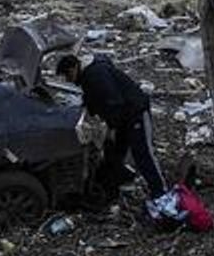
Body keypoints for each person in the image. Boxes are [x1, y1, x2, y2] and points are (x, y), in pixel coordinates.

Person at [56, 51, 179, 220]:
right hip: (123, 117)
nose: (69, 81)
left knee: (143, 154)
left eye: (68, 75)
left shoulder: (96, 75)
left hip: (135, 113)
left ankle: (161, 193)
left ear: (74, 68)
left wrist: (111, 128)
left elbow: (114, 102)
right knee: (115, 153)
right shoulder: (89, 73)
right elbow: (94, 99)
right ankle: (116, 183)